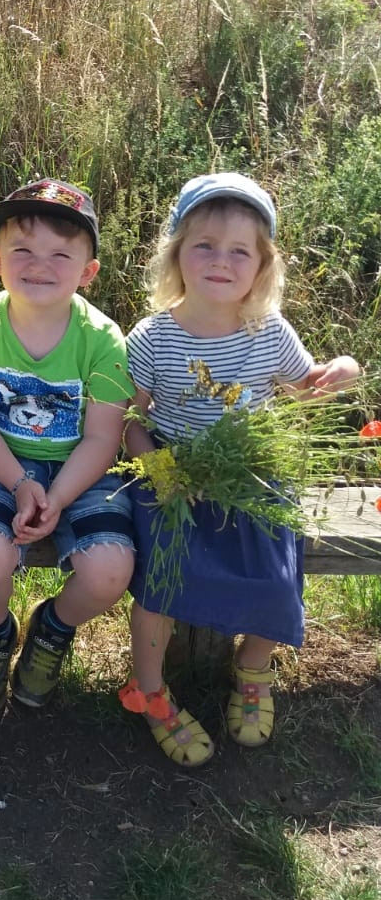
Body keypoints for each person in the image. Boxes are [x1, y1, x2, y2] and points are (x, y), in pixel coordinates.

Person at [120, 172, 359, 765]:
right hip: (172, 470)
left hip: (249, 472)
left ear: (262, 266)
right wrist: (159, 468)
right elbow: (128, 418)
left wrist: (343, 370)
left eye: (239, 251)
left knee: (277, 576)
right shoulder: (153, 336)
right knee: (162, 582)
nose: (220, 261)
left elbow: (306, 388)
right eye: (204, 245)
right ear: (177, 254)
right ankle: (148, 690)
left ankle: (253, 667)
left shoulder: (268, 332)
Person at [0, 179, 134, 717]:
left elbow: (103, 437)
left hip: (83, 467)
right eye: (23, 250)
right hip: (1, 461)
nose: (39, 265)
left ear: (87, 272)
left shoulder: (103, 339)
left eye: (60, 254)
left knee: (109, 571)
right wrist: (20, 483)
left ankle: (52, 628)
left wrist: (56, 498)